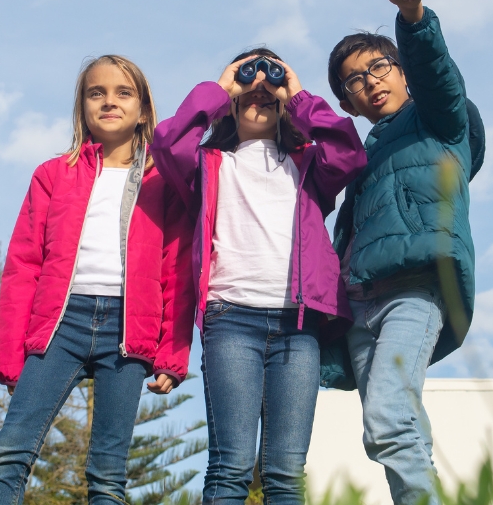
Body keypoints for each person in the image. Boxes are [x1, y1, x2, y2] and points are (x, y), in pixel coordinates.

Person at [151, 50, 366, 504]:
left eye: (272, 81)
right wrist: (220, 88)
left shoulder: (308, 165)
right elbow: (169, 143)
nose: (260, 90)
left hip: (298, 325)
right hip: (231, 318)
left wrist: (300, 95)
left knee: (286, 471)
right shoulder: (209, 164)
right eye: (248, 80)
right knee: (230, 464)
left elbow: (348, 152)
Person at [0, 55, 195, 504]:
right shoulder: (52, 175)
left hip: (128, 330)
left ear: (143, 108)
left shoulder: (164, 181)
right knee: (10, 454)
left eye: (123, 93)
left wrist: (171, 355)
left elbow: (178, 270)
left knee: (107, 474)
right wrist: (7, 351)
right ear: (82, 106)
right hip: (59, 328)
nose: (109, 101)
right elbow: (23, 265)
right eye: (96, 93)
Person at [326, 0, 482, 505]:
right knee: (400, 427)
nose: (371, 83)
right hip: (360, 308)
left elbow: (439, 77)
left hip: (414, 292)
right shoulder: (360, 160)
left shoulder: (439, 120)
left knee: (388, 418)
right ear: (347, 102)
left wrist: (413, 18)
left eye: (379, 68)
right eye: (355, 80)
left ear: (401, 70)